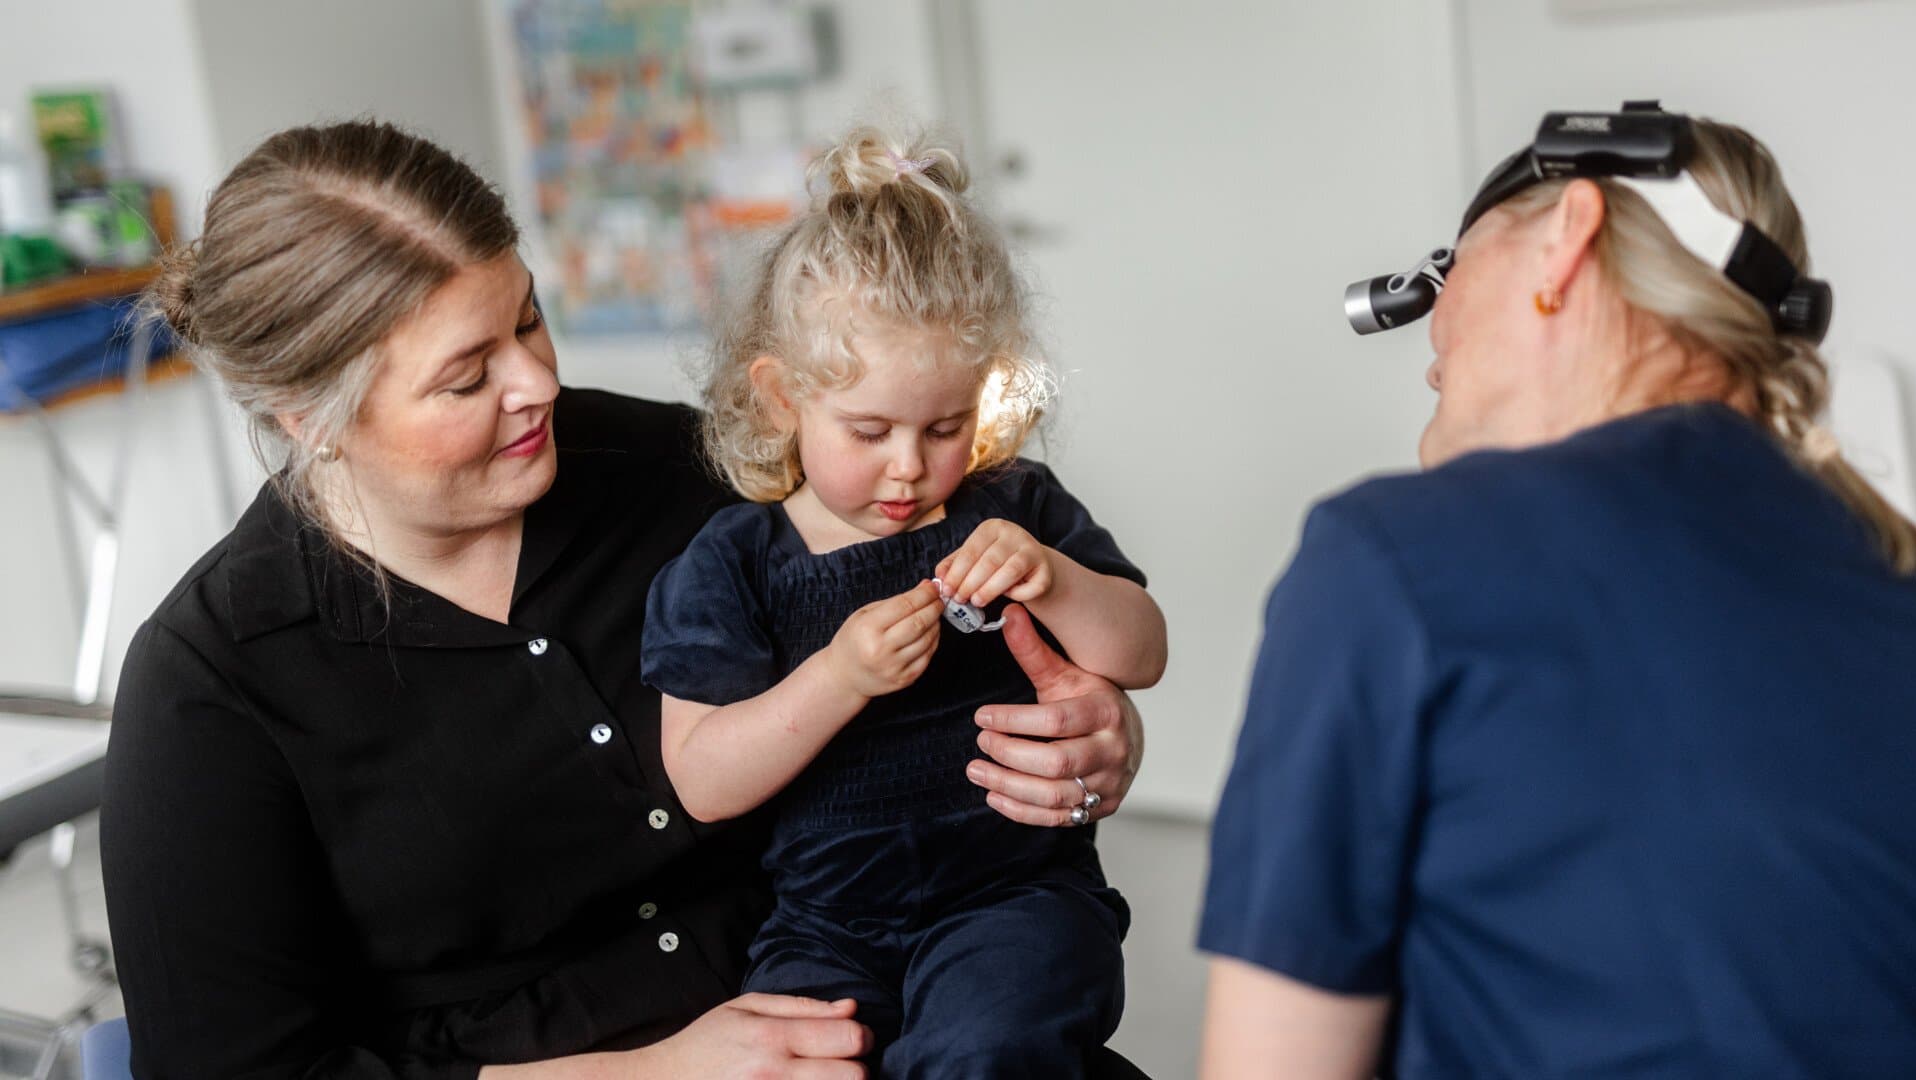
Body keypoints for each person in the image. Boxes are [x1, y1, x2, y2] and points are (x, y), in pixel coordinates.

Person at [100, 119, 1147, 1080]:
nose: (538, 384)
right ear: (308, 416)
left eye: (528, 320)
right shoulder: (211, 684)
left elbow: (987, 642)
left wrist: (1098, 742)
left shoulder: (687, 475)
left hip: (914, 1008)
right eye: (467, 377)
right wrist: (648, 1075)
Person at [1198, 110, 1916, 1078]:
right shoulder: (1887, 564)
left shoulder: (1393, 559)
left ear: (1567, 237)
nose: (1432, 346)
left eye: (1454, 269)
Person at [640, 127, 1167, 1077]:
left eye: (945, 427)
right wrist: (838, 677)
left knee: (983, 1050)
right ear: (781, 398)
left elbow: (1143, 651)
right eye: (869, 430)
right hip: (826, 926)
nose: (909, 467)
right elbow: (705, 783)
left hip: (1018, 899)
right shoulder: (734, 563)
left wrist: (1055, 577)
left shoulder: (1015, 507)